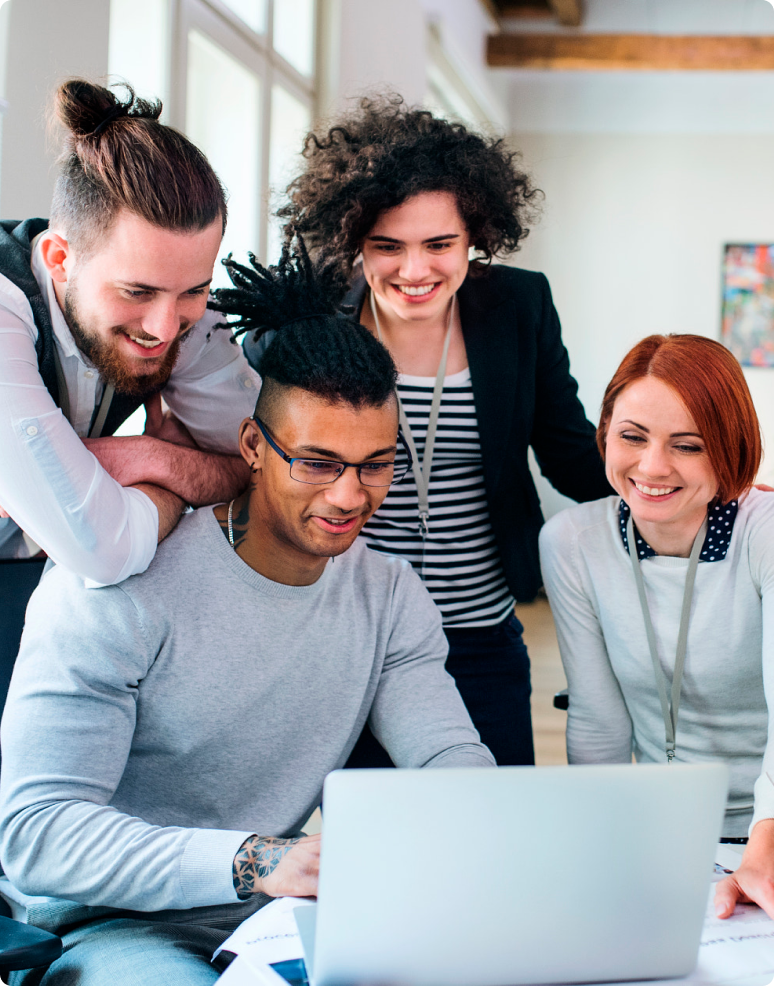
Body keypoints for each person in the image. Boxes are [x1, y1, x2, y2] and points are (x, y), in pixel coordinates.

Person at [0, 246, 494, 986]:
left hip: (277, 922)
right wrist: (259, 858)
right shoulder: (116, 586)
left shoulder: (388, 598)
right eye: (319, 463)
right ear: (254, 447)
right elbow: (38, 837)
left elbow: (446, 760)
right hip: (105, 929)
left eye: (376, 464)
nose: (349, 497)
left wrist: (496, 822)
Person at [258, 95, 611, 767]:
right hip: (343, 631)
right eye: (386, 247)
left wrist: (699, 492)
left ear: (475, 235)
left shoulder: (518, 305)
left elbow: (569, 450)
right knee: (379, 849)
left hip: (481, 634)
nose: (414, 271)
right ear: (350, 240)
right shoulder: (310, 315)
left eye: (439, 245)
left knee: (494, 835)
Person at [0, 78, 260, 660]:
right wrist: (177, 488)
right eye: (136, 291)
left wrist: (148, 457)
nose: (165, 328)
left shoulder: (175, 306)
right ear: (60, 259)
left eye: (195, 290)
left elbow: (272, 466)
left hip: (35, 584)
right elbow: (103, 548)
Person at [538, 333, 774, 920]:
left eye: (687, 446)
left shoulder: (764, 537)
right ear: (605, 434)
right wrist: (603, 845)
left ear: (730, 447)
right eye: (632, 437)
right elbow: (599, 722)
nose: (652, 467)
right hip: (665, 828)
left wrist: (762, 855)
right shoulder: (573, 542)